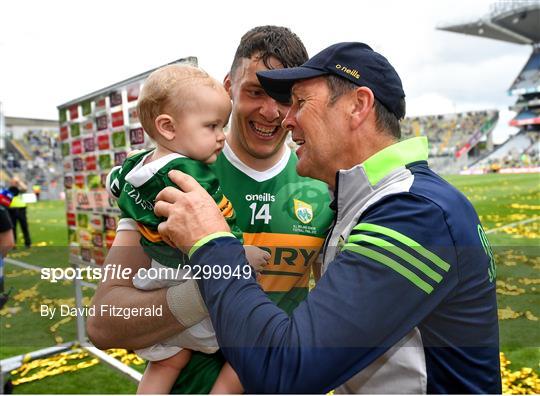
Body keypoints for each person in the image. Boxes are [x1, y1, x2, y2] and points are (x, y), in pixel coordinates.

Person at [153, 42, 502, 393]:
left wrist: (212, 242)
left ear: (357, 106)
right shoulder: (380, 201)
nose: (286, 119)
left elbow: (286, 369)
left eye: (301, 103)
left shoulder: (414, 214)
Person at [87, 26, 334, 393]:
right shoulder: (169, 171)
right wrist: (213, 286)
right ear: (228, 88)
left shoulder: (323, 185)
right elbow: (104, 322)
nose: (270, 111)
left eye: (285, 98)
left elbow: (327, 315)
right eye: (255, 91)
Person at [105, 64, 269, 394]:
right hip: (193, 276)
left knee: (168, 359)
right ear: (167, 127)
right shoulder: (191, 174)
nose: (221, 135)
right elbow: (214, 226)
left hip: (152, 281)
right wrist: (241, 254)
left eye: (222, 125)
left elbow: (115, 185)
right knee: (252, 347)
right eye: (211, 126)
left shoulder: (137, 165)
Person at [7, 177, 31, 248]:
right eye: (13, 181)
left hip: (21, 209)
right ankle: (13, 244)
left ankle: (27, 243)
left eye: (15, 182)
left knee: (24, 226)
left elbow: (25, 188)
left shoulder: (20, 189)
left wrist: (19, 182)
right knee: (13, 227)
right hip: (12, 210)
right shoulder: (10, 190)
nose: (14, 183)